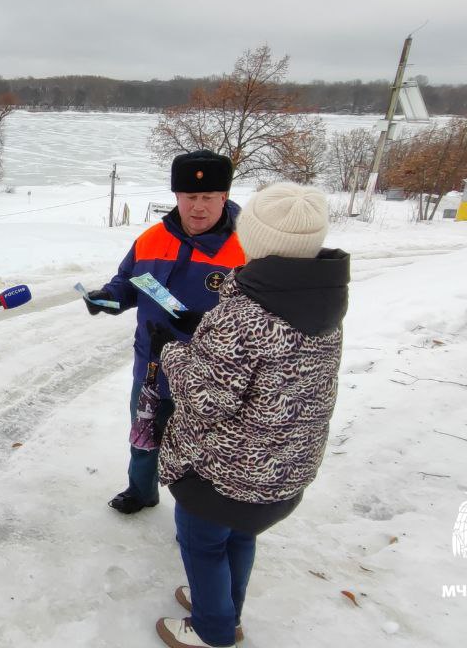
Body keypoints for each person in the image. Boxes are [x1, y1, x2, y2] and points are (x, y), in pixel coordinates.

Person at [152, 182, 350, 648]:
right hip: (284, 471)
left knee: (203, 545)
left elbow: (205, 401)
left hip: (224, 473)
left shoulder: (243, 314)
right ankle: (222, 608)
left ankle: (213, 630)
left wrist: (176, 353)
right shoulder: (324, 303)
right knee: (240, 537)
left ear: (254, 240)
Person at [83, 150, 245, 514]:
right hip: (152, 364)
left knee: (204, 444)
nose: (198, 207)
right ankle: (141, 490)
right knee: (145, 434)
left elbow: (258, 319)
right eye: (190, 197)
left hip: (210, 374)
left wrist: (202, 326)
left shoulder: (246, 248)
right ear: (177, 197)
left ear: (224, 196)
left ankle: (198, 512)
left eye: (208, 198)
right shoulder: (153, 238)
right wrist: (107, 297)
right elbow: (128, 282)